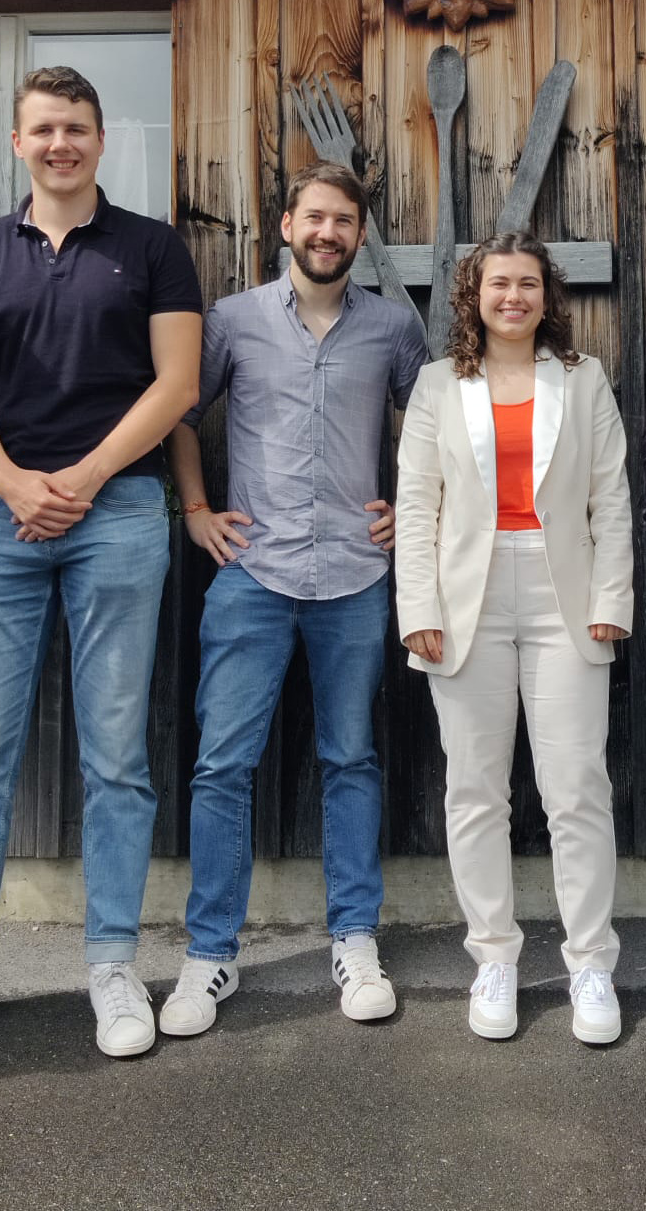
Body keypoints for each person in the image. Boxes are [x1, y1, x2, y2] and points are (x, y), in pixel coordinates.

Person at [0, 66, 202, 1067]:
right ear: (18, 143)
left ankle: (112, 965)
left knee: (116, 756)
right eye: (43, 129)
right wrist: (11, 481)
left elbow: (178, 384)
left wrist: (85, 475)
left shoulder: (151, 247)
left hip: (119, 513)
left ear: (102, 140)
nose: (60, 143)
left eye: (76, 127)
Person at [160, 161, 427, 1037]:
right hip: (252, 571)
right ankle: (210, 953)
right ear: (286, 225)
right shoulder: (232, 320)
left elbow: (435, 427)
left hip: (355, 573)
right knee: (221, 766)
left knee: (351, 760)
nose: (327, 233)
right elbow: (181, 415)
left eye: (343, 221)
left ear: (360, 235)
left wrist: (413, 506)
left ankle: (354, 940)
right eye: (314, 217)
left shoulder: (392, 327)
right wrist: (196, 510)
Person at [394, 232, 633, 1043]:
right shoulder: (437, 385)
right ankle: (493, 957)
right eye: (499, 283)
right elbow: (417, 503)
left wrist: (612, 595)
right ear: (475, 295)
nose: (514, 297)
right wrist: (418, 608)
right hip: (467, 600)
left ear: (546, 295)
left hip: (566, 595)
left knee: (577, 789)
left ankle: (591, 965)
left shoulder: (583, 378)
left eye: (528, 283)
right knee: (474, 791)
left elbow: (611, 495)